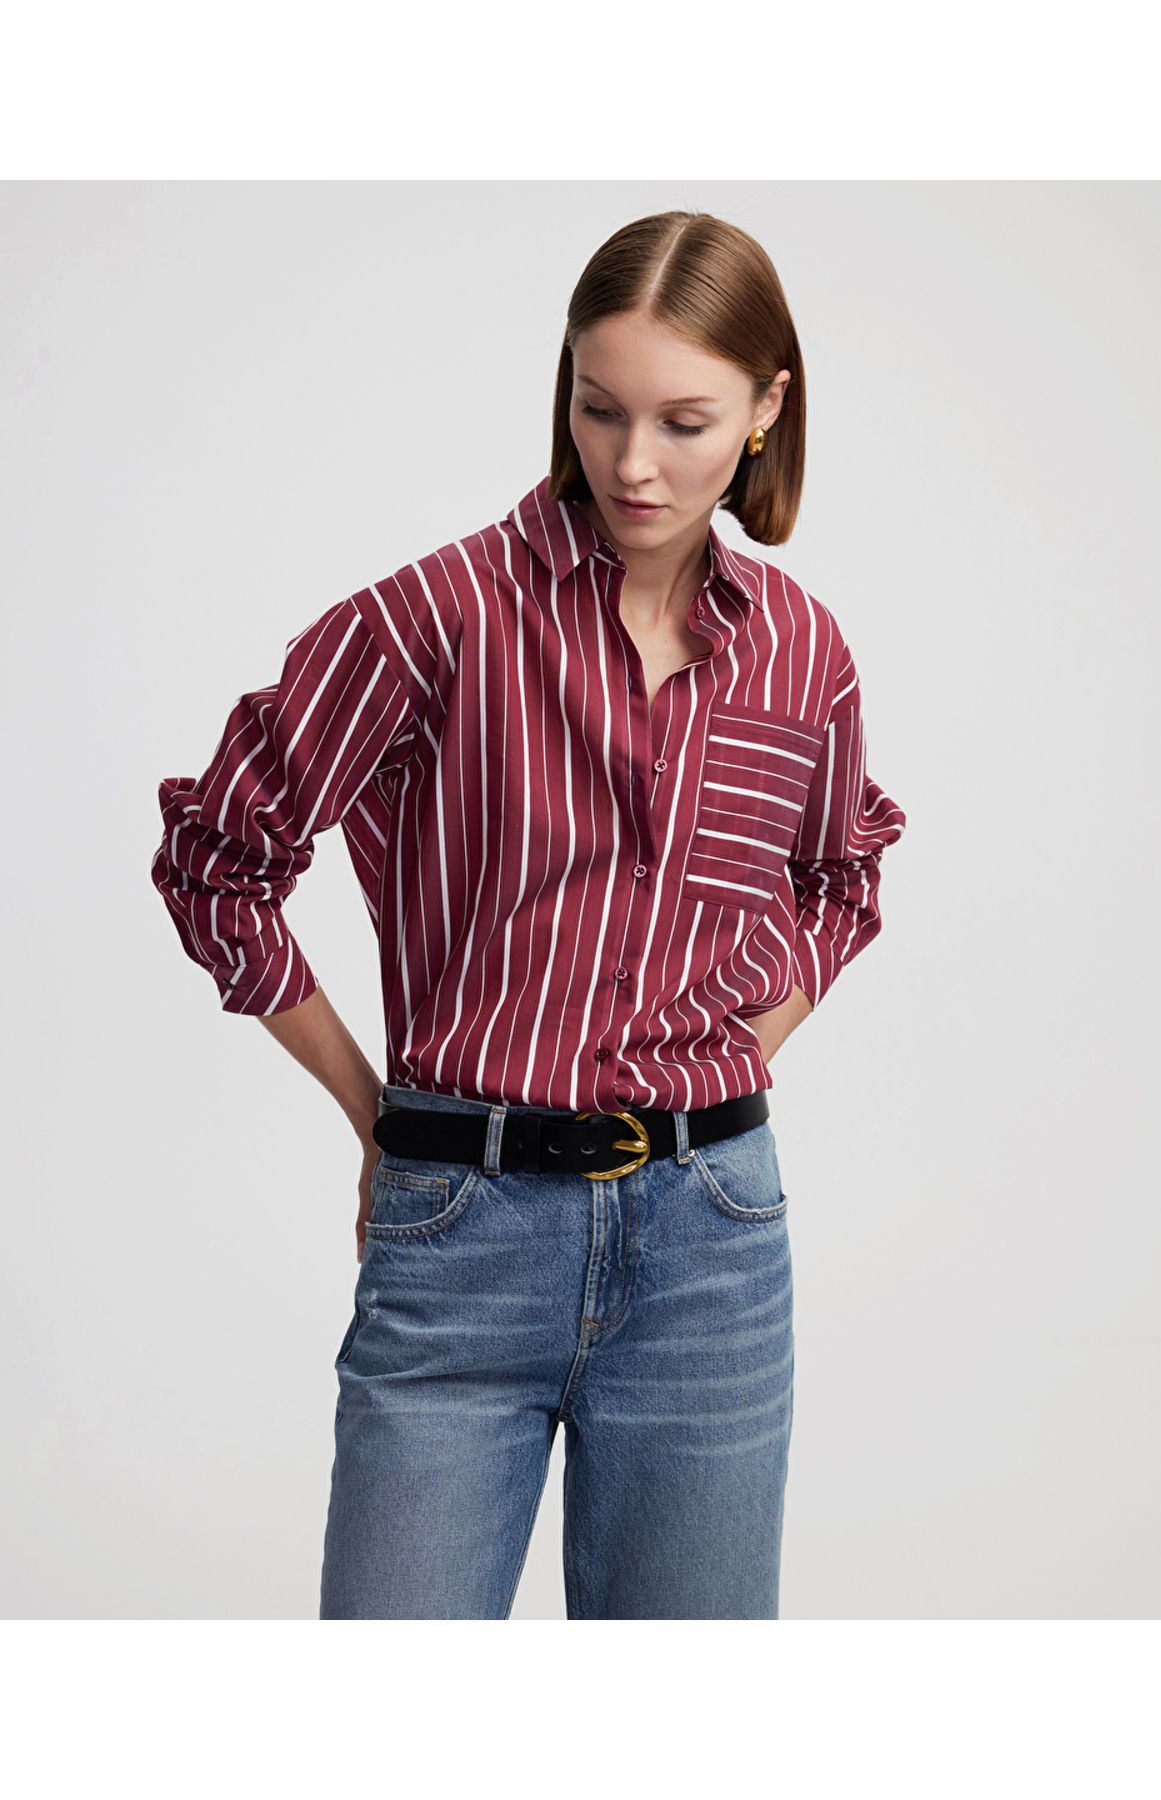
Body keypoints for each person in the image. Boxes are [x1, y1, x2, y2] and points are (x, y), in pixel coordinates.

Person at [149, 209, 907, 1619]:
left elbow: (841, 874)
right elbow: (219, 857)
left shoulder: (800, 650)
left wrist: (741, 1045)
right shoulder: (437, 618)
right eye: (599, 407)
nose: (633, 462)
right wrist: (376, 1113)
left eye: (683, 422)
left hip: (712, 1252)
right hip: (462, 1235)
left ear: (765, 410)